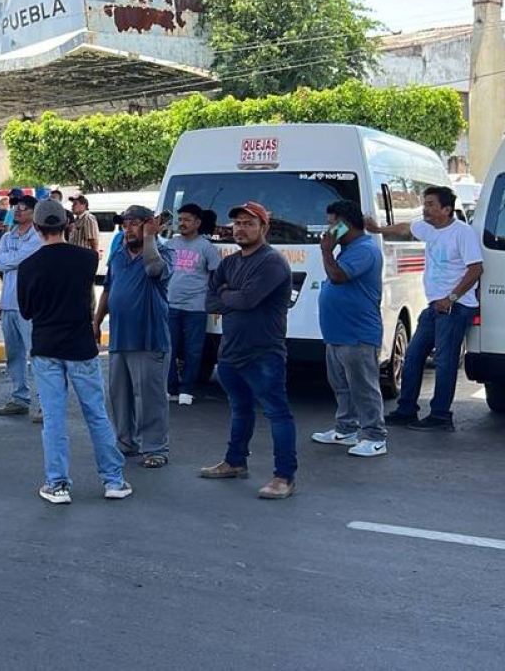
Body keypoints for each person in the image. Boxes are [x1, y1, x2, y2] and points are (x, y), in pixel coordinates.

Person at [20, 199, 132, 503]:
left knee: (54, 419)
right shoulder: (85, 259)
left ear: (37, 227)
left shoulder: (28, 266)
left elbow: (26, 311)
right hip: (80, 346)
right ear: (67, 224)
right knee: (96, 414)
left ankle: (57, 484)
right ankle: (113, 480)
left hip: (46, 347)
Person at [366, 186, 483, 431]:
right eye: (425, 203)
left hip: (455, 307)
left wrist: (450, 298)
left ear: (446, 209)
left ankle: (441, 416)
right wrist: (378, 229)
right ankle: (407, 410)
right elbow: (405, 227)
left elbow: (475, 269)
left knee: (445, 361)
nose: (425, 208)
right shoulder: (428, 228)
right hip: (434, 307)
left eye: (430, 204)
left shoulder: (462, 233)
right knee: (414, 355)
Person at [201, 202, 296, 499]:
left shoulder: (272, 263)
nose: (240, 229)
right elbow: (209, 302)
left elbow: (247, 300)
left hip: (263, 353)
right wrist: (232, 295)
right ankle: (235, 461)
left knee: (277, 414)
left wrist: (227, 294)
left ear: (264, 228)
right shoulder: (229, 262)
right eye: (237, 223)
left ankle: (284, 477)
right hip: (230, 352)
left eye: (248, 223)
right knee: (240, 409)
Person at [93, 205, 174, 468]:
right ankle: (126, 443)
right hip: (119, 338)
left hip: (149, 339)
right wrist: (96, 322)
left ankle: (155, 447)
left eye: (134, 224)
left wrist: (150, 238)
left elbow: (154, 270)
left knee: (150, 396)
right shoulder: (118, 256)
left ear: (149, 224)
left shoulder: (163, 252)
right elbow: (108, 291)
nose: (127, 229)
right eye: (124, 224)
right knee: (120, 395)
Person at [312, 200, 386, 457]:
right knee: (342, 385)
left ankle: (375, 436)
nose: (328, 229)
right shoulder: (347, 248)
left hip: (358, 333)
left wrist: (326, 252)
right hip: (338, 332)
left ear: (344, 224)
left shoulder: (364, 249)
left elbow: (338, 276)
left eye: (332, 223)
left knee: (363, 387)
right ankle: (346, 429)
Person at [165, 203, 221, 405]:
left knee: (193, 350)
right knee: (169, 348)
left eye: (187, 220)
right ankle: (170, 387)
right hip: (171, 304)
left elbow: (216, 275)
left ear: (197, 222)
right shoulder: (171, 244)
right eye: (180, 219)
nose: (182, 223)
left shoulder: (206, 247)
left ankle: (187, 390)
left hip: (196, 307)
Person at [0, 194, 43, 419]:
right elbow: (0, 261)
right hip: (8, 303)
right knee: (14, 354)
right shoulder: (7, 236)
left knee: (37, 354)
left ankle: (45, 402)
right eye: (15, 208)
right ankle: (19, 398)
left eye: (23, 208)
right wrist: (3, 259)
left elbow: (12, 260)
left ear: (33, 212)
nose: (18, 211)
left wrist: (3, 258)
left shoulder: (37, 238)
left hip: (29, 305)